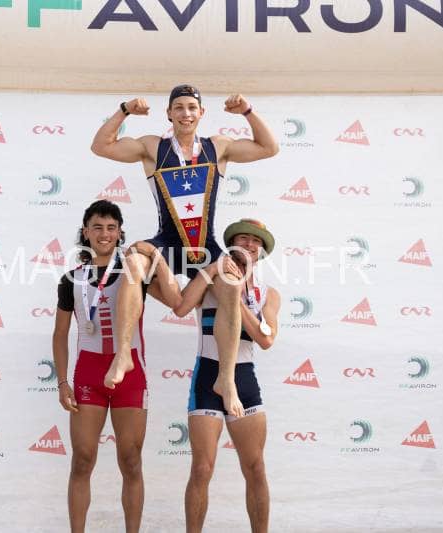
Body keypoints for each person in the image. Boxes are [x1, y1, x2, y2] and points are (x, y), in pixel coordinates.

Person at [90, 84, 279, 418]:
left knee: (231, 284)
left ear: (201, 113)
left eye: (192, 107)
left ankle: (226, 379)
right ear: (169, 113)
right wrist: (125, 110)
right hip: (168, 240)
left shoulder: (218, 147)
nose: (186, 113)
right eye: (178, 107)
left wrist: (247, 111)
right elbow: (101, 146)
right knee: (133, 263)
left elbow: (269, 147)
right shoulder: (153, 147)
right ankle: (123, 354)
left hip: (205, 246)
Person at [52, 200, 179, 533]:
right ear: (85, 232)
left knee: (131, 461)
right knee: (82, 460)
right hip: (89, 376)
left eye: (111, 227)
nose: (104, 234)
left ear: (120, 232)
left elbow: (177, 302)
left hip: (131, 375)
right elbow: (60, 334)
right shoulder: (71, 279)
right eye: (97, 227)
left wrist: (156, 257)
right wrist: (62, 383)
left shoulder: (135, 271)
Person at [173, 218, 281, 533]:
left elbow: (266, 340)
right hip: (207, 376)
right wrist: (212, 271)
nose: (249, 244)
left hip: (244, 379)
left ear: (261, 251)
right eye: (243, 238)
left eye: (255, 241)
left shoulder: (269, 294)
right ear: (232, 244)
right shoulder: (211, 278)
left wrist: (233, 296)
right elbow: (181, 308)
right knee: (202, 468)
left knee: (255, 467)